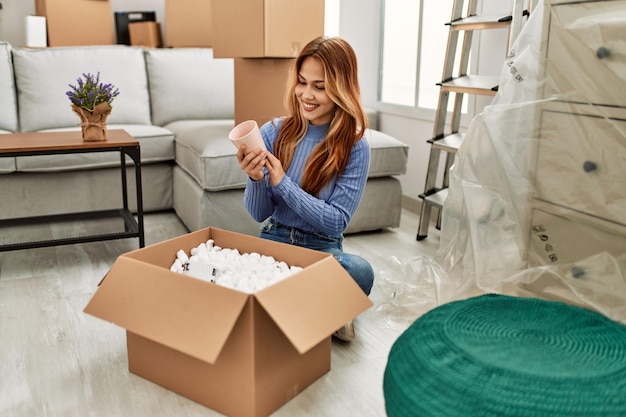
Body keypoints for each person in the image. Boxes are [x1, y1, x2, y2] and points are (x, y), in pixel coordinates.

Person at [236, 36, 374, 342]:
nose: (306, 95)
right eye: (302, 82)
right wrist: (256, 178)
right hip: (274, 240)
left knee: (360, 271)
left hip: (322, 249)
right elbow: (258, 215)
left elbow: (337, 221)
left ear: (341, 88)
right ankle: (322, 310)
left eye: (319, 86)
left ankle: (286, 304)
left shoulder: (354, 146)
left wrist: (282, 184)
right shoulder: (274, 132)